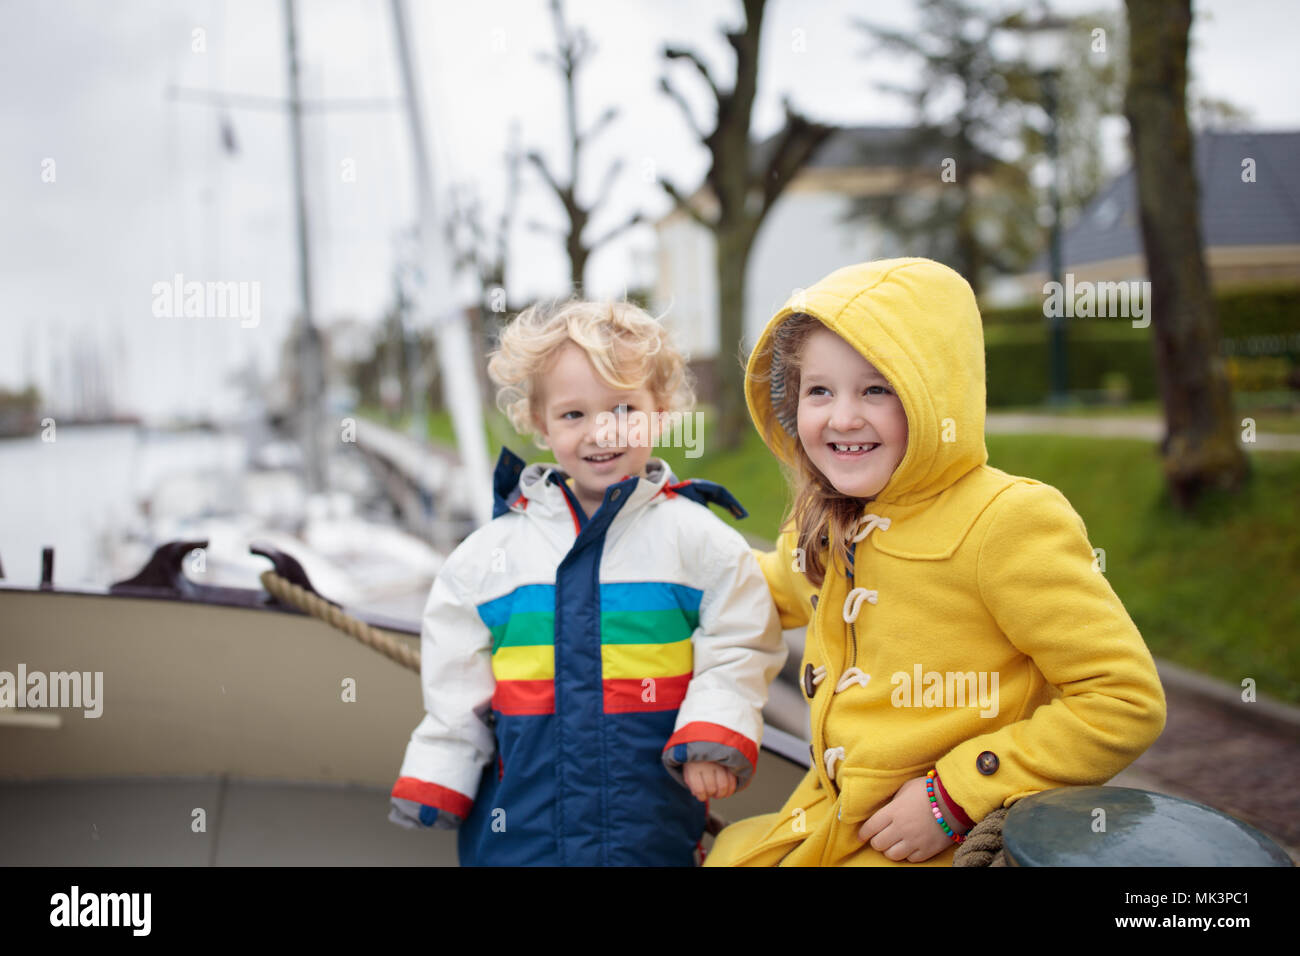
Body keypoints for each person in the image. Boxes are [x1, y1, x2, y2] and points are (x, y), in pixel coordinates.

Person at [704, 258, 1167, 866]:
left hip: (928, 843)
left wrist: (955, 793)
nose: (842, 417)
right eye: (819, 390)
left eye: (877, 388)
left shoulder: (1007, 522)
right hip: (824, 822)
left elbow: (1122, 699)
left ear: (936, 392)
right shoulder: (822, 521)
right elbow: (763, 590)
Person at [388, 298, 786, 866]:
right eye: (574, 415)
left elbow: (739, 642)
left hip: (648, 827)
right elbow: (456, 678)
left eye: (623, 408)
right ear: (540, 424)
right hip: (517, 829)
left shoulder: (701, 545)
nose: (601, 432)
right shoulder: (489, 558)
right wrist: (441, 771)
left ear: (662, 411)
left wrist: (714, 731)